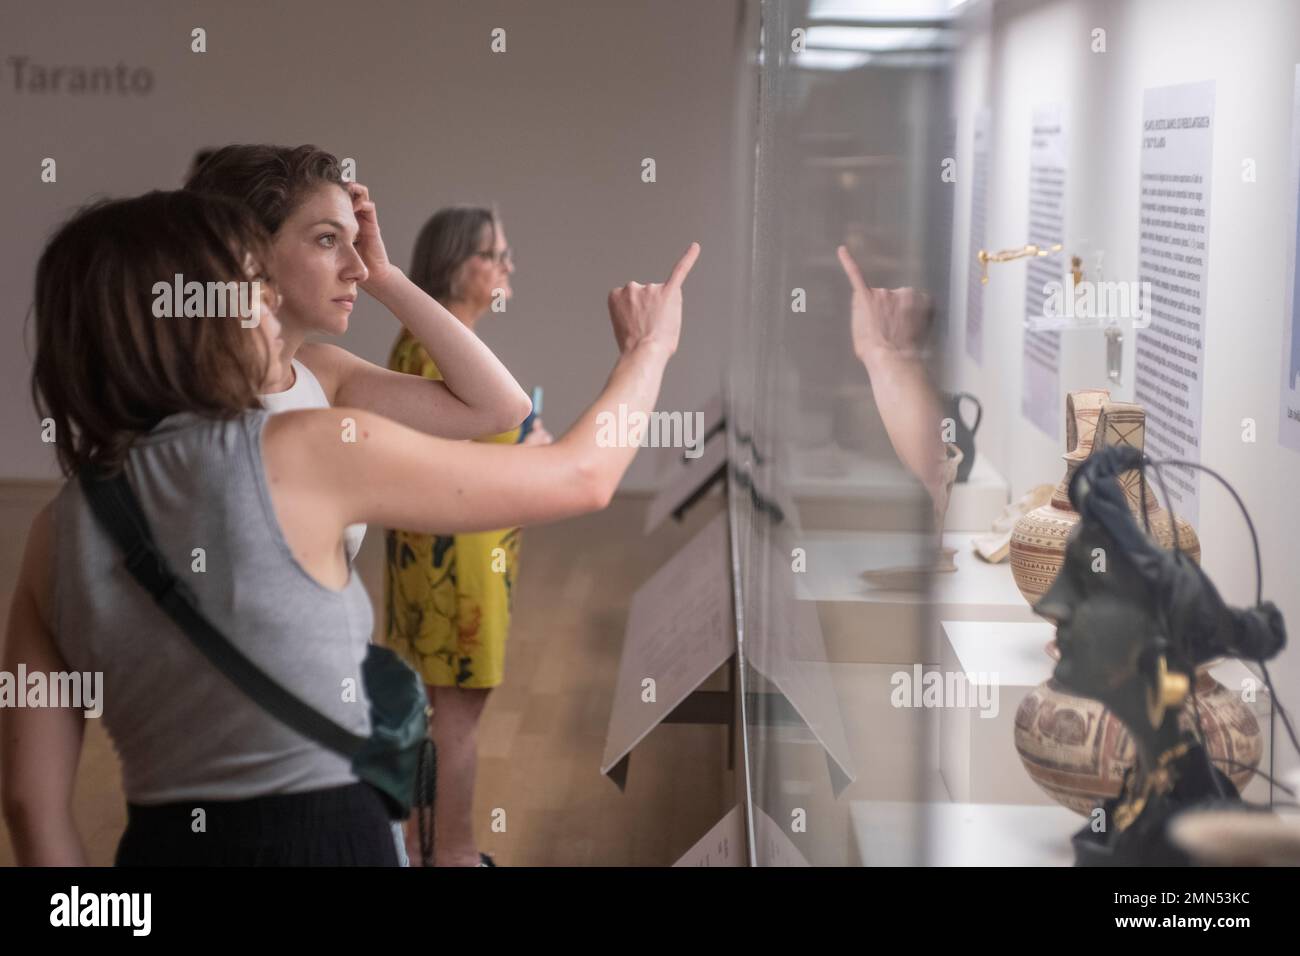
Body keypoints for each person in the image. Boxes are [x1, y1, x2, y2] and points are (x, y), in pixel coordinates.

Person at [0, 187, 699, 865]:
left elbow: (31, 806)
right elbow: (583, 475)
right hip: (329, 839)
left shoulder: (54, 533)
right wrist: (648, 349)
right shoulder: (306, 447)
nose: (271, 305)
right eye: (251, 288)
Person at [186, 144, 533, 564]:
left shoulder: (326, 374)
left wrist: (387, 278)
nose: (358, 267)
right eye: (328, 239)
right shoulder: (180, 387)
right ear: (250, 252)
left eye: (355, 242)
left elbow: (502, 407)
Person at [385, 207, 550, 867]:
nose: (509, 267)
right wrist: (531, 443)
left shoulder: (423, 339)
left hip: (439, 558)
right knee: (458, 721)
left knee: (439, 717)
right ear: (457, 266)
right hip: (458, 568)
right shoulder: (437, 345)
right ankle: (452, 853)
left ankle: (424, 841)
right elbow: (493, 449)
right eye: (495, 255)